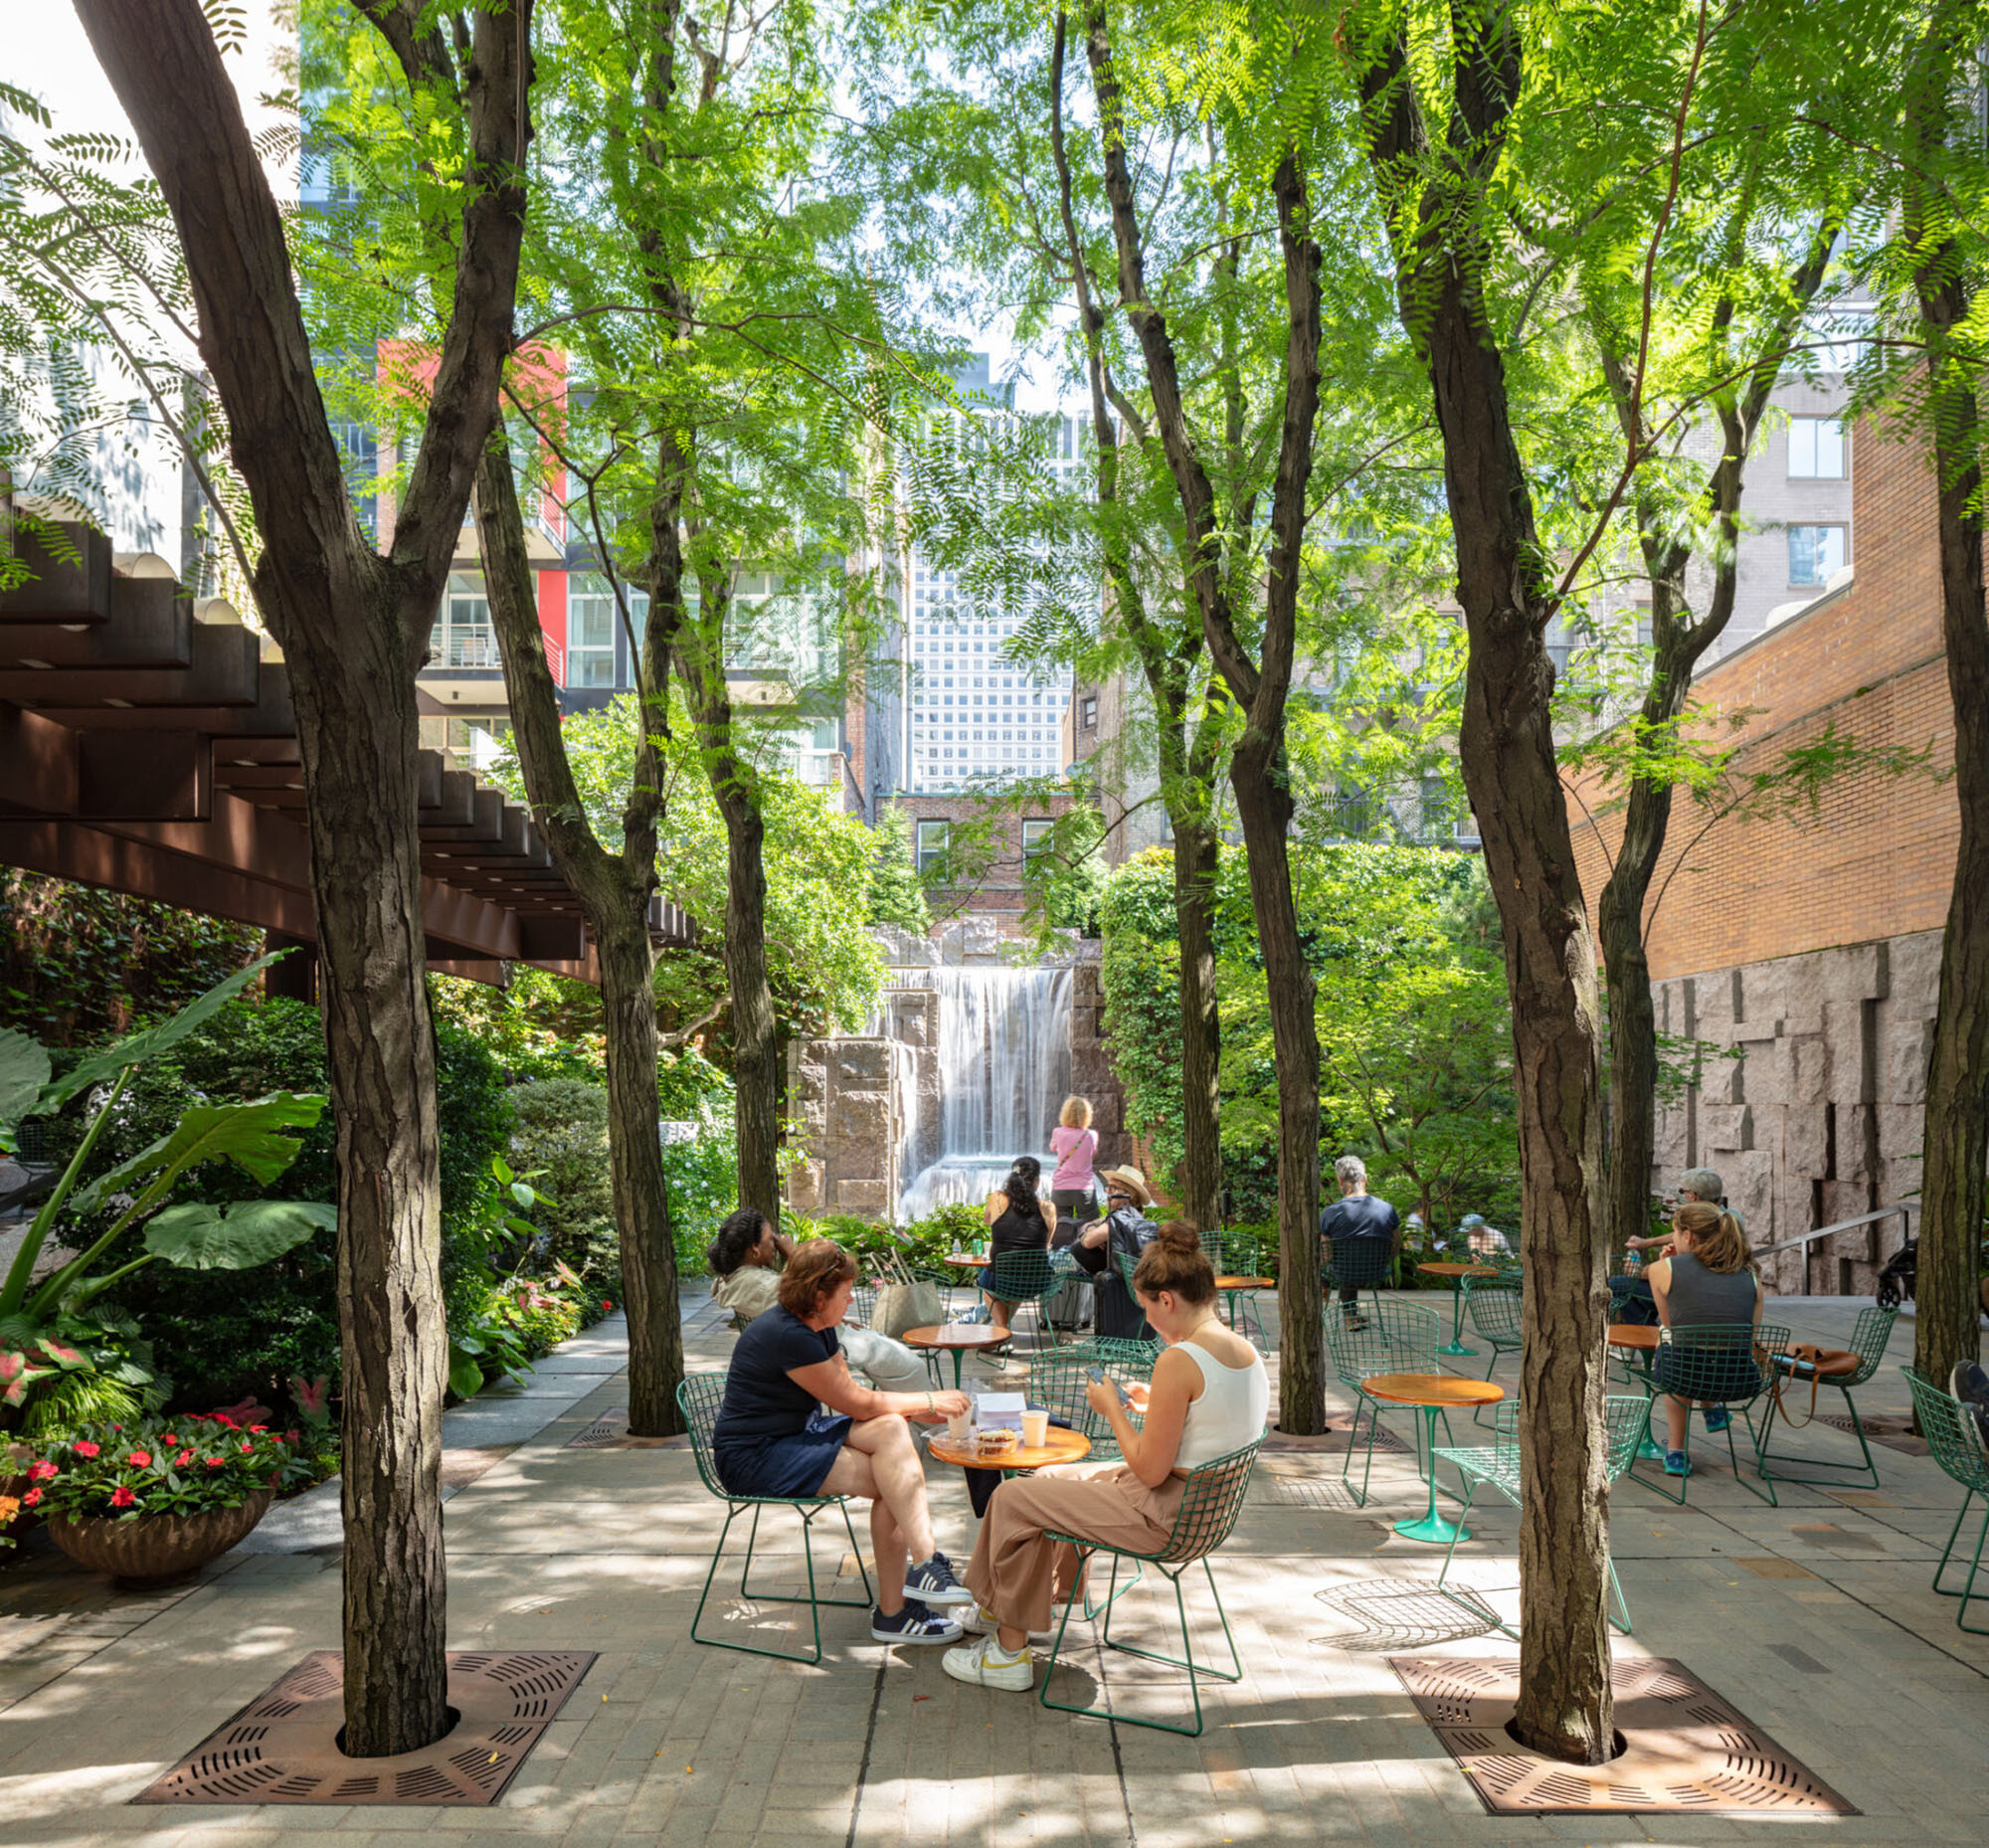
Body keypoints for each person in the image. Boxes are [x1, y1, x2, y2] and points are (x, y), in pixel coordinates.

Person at [941, 1221, 1268, 1690]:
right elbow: (1217, 1416)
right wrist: (1154, 1400)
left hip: (1166, 1515)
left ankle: (1007, 1656)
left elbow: (1151, 1471)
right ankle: (1023, 1601)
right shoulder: (1244, 1351)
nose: (1148, 1321)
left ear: (1168, 1300)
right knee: (1052, 1479)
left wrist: (1113, 1410)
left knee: (1014, 1497)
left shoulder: (1180, 1359)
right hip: (1207, 1509)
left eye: (1147, 1310)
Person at [712, 1238, 975, 1643]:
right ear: (820, 1296)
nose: (852, 1300)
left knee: (893, 1431)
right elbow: (857, 1402)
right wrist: (927, 1398)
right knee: (895, 1481)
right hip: (756, 1456)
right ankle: (901, 1602)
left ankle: (918, 1577)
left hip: (795, 1435)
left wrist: (936, 1414)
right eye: (847, 1292)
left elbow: (864, 1405)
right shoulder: (788, 1335)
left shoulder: (818, 1327)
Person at [707, 1206, 930, 1393]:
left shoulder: (739, 1280)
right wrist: (794, 1253)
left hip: (821, 1335)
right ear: (754, 1249)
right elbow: (808, 1296)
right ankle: (936, 1424)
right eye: (770, 1239)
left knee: (896, 1358)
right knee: (912, 1366)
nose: (775, 1244)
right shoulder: (756, 1284)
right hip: (822, 1342)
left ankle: (926, 1421)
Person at [1647, 1200, 1763, 1477]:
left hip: (1683, 1375)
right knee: (1704, 1347)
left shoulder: (1660, 1270)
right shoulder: (1751, 1274)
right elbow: (1749, 1335)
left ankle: (1676, 1451)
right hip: (1737, 1378)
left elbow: (1671, 1325)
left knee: (1672, 1342)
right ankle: (1712, 1408)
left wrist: (1668, 1264)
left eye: (1675, 1232)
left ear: (1687, 1236)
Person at [1609, 1167, 1726, 1327]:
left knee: (1620, 1286)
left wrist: (1638, 1271)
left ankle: (1647, 1337)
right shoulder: (1727, 1219)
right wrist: (1651, 1246)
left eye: (1682, 1191)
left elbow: (1673, 1273)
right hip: (1713, 1300)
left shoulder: (1696, 1240)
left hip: (1690, 1297)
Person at [1069, 1164, 1159, 1340]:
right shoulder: (1132, 1216)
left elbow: (1087, 1241)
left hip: (1120, 1276)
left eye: (1113, 1187)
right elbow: (1090, 1226)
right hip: (1130, 1276)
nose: (1108, 1191)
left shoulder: (1122, 1219)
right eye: (1107, 1187)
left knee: (1073, 1250)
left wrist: (1092, 1233)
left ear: (1129, 1195)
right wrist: (1092, 1229)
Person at [1318, 1154, 1398, 1326]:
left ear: (1340, 1181)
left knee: (1338, 1264)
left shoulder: (1330, 1212)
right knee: (1352, 1261)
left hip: (1343, 1271)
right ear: (1365, 1179)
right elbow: (1396, 1245)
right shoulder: (1387, 1209)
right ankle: (1351, 1315)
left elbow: (1327, 1255)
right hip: (1377, 1271)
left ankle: (1327, 1294)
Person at [980, 1157, 1057, 1335]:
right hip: (1037, 1282)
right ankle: (1002, 1333)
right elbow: (1045, 1245)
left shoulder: (997, 1198)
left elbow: (986, 1220)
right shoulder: (1048, 1208)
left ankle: (1002, 1331)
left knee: (987, 1283)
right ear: (1036, 1181)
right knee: (1019, 1277)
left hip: (1002, 1278)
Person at [1049, 1097, 1100, 1226]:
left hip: (1061, 1186)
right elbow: (1093, 1155)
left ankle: (1062, 1246)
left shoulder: (1058, 1132)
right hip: (1084, 1187)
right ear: (1087, 1115)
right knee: (1089, 1226)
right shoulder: (1091, 1135)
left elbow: (1053, 1148)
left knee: (1060, 1226)